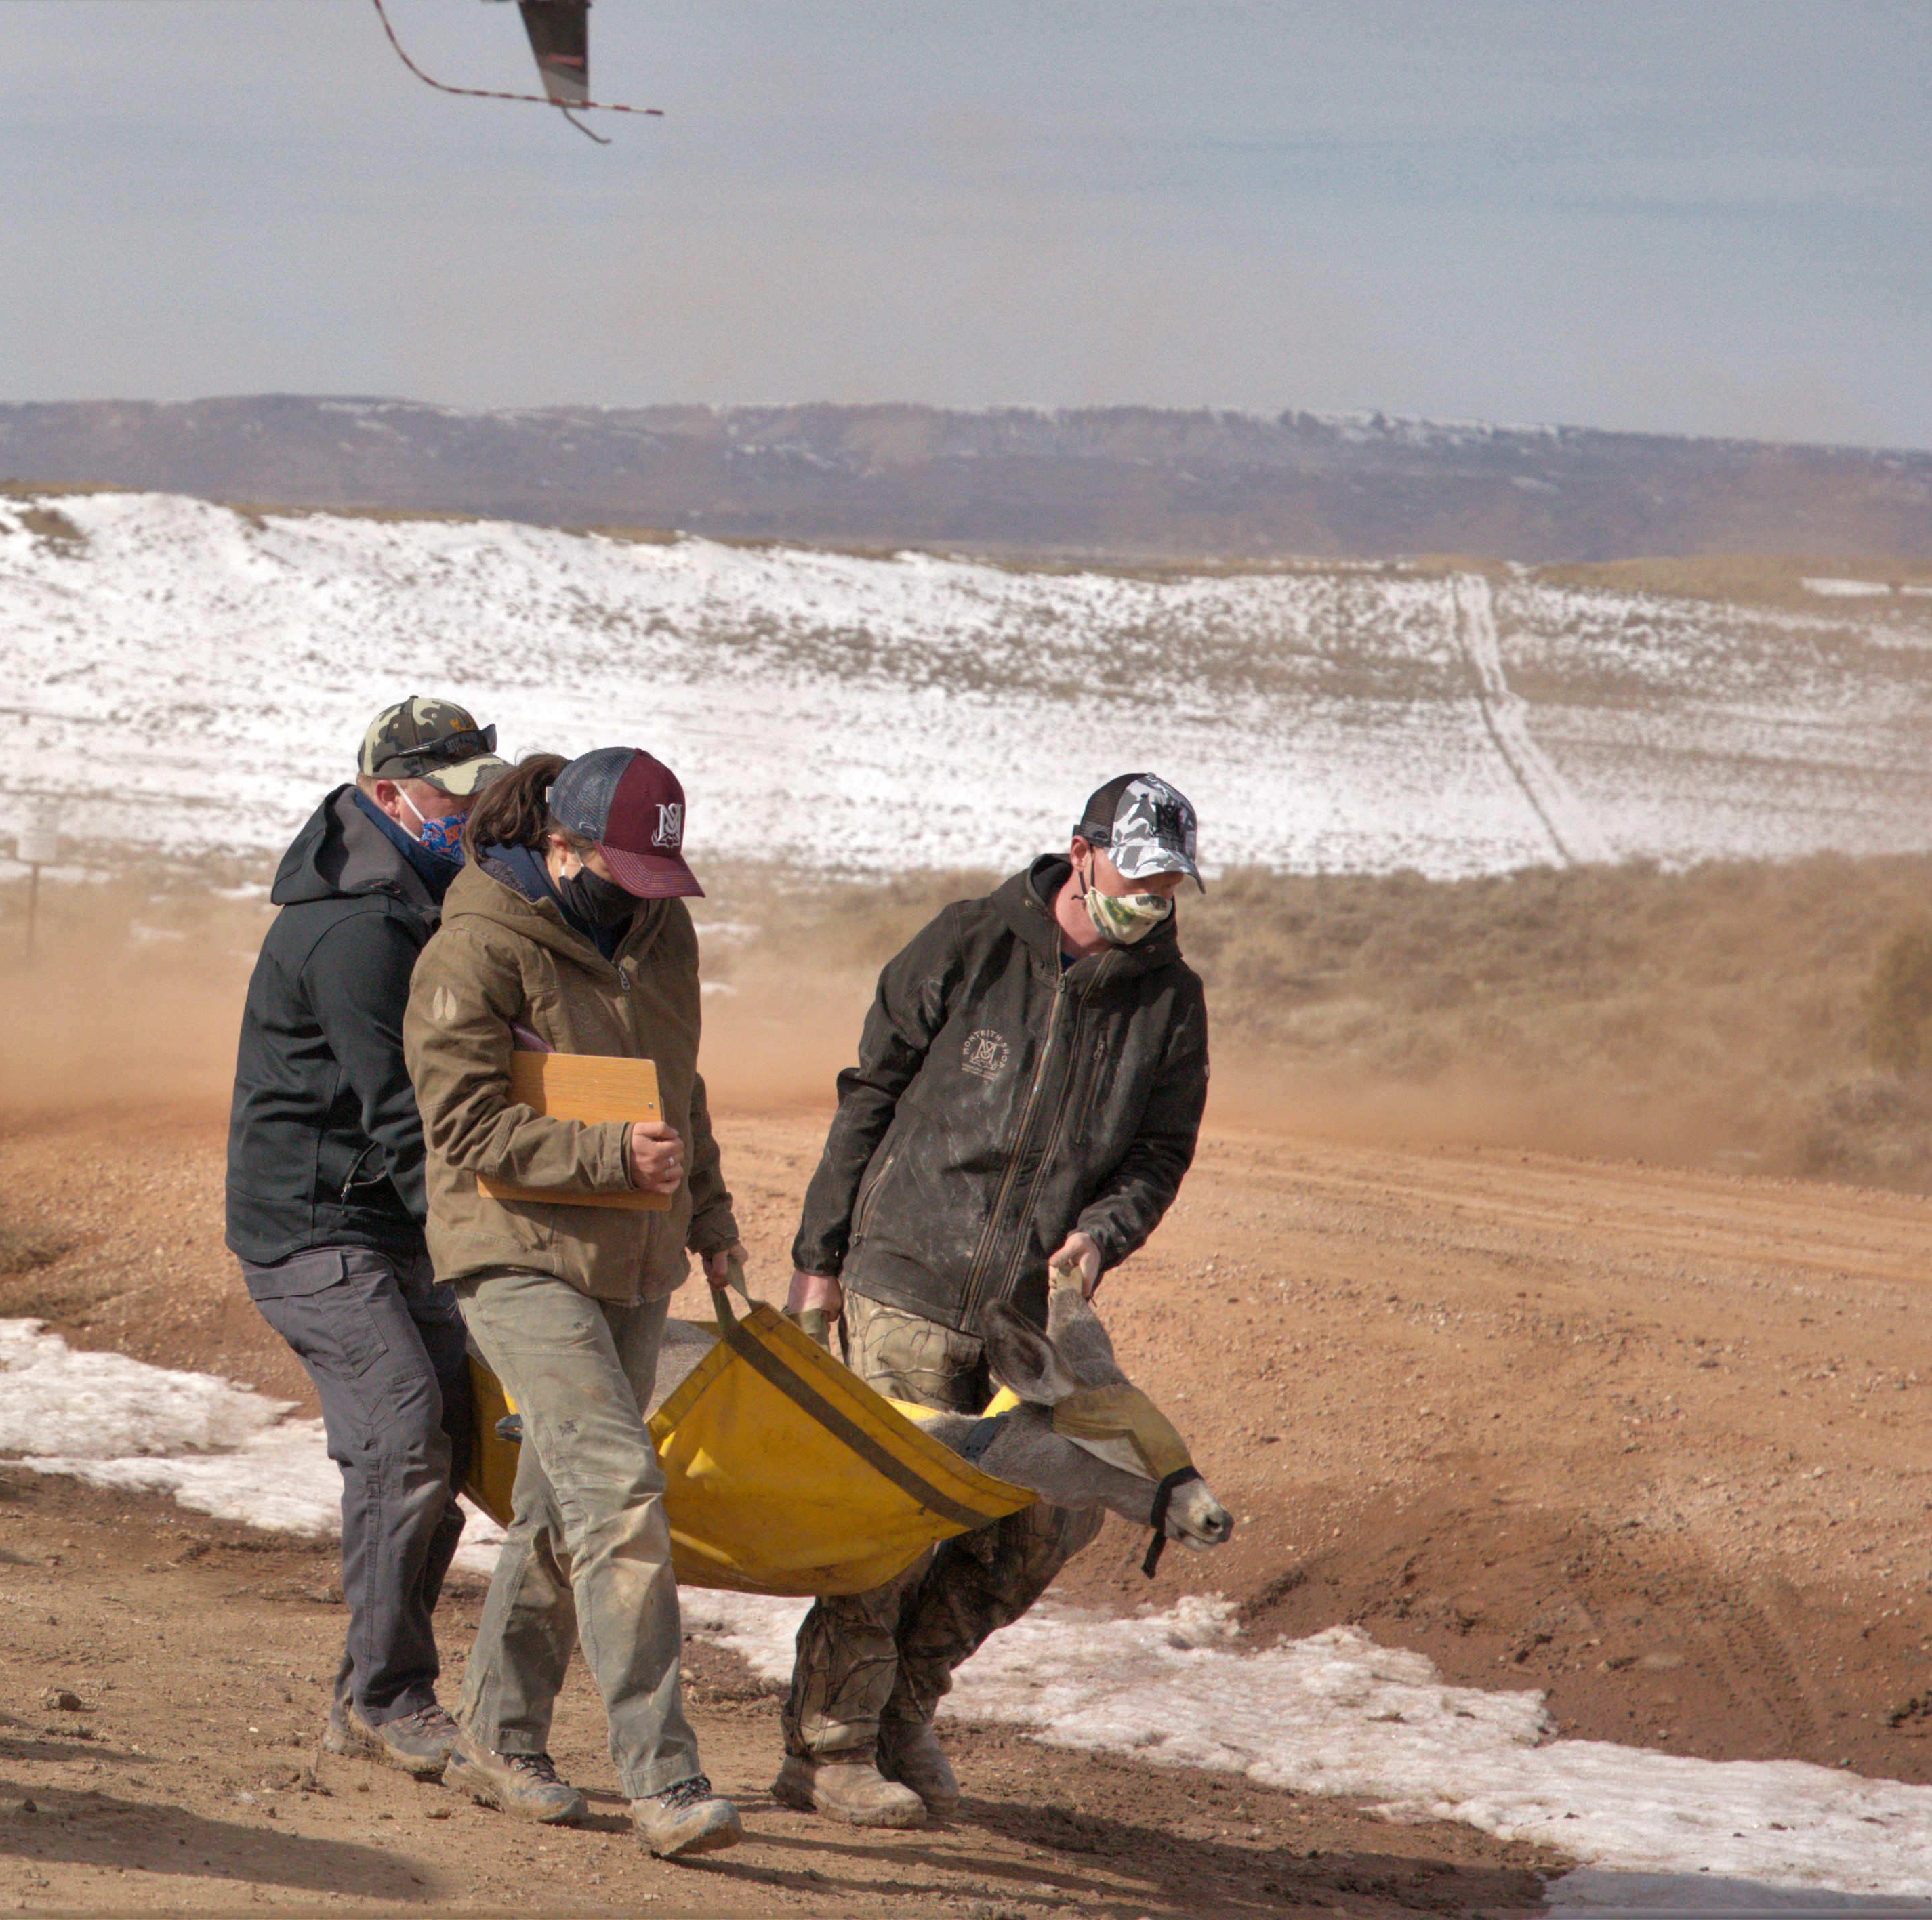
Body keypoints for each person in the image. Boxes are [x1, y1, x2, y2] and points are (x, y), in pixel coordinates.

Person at [772, 771, 1212, 1826]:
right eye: (1141, 877)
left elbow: (1159, 1153)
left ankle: (902, 1710)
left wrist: (1104, 1234)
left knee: (1048, 1521)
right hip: (906, 1277)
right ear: (1084, 851)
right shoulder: (971, 942)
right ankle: (827, 1752)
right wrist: (817, 1260)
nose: (1155, 901)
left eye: (1172, 884)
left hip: (1025, 1314)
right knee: (888, 1522)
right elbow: (868, 1093)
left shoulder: (1169, 1001)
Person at [405, 747, 749, 1861]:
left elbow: (678, 1083)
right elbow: (458, 1128)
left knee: (560, 1512)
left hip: (637, 1256)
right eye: (626, 871)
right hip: (511, 1252)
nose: (644, 896)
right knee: (616, 1492)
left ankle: (496, 1736)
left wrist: (708, 1214)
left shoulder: (660, 932)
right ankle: (664, 1776)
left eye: (661, 875)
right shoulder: (474, 946)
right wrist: (609, 1153)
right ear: (560, 845)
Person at [226, 696, 515, 1779]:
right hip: (316, 1226)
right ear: (391, 796)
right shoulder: (357, 926)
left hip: (383, 1215)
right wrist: (475, 1243)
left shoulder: (427, 895)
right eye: (453, 793)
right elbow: (403, 1109)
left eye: (481, 790)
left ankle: (368, 1689)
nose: (471, 810)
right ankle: (392, 1696)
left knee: (447, 1430)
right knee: (403, 1438)